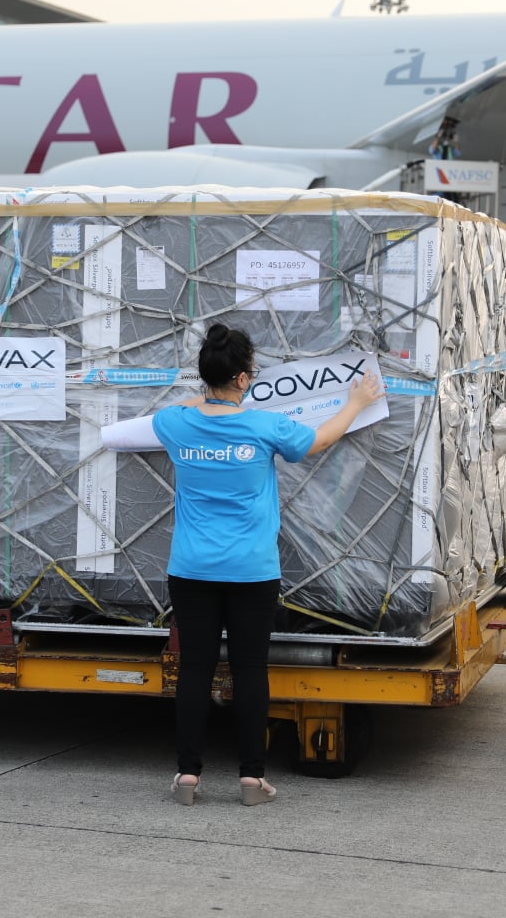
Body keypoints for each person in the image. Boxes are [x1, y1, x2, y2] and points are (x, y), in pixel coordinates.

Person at [149, 323, 384, 806]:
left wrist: (211, 396)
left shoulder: (173, 424)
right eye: (251, 374)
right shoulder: (264, 427)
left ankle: (188, 775)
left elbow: (186, 407)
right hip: (251, 570)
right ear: (242, 378)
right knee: (250, 671)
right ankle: (252, 779)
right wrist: (357, 402)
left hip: (191, 569)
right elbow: (320, 440)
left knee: (194, 671)